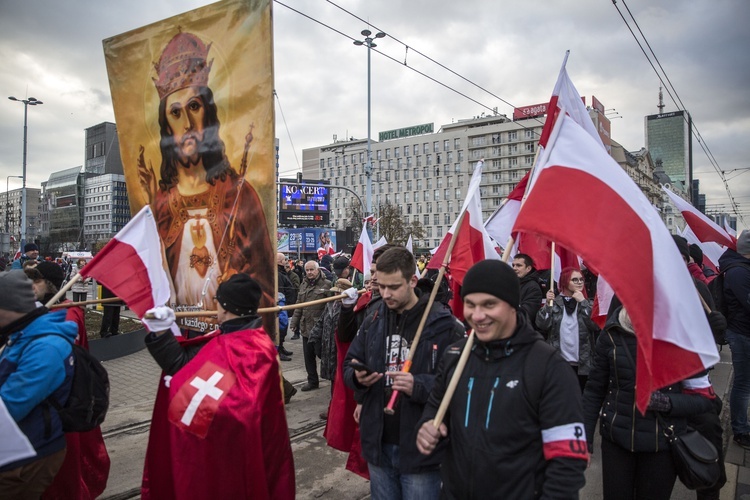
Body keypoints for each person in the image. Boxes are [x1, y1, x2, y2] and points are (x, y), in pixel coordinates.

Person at [416, 259, 587, 498]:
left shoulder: (550, 367)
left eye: (489, 304)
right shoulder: (456, 355)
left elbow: (567, 464)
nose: (477, 316)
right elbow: (435, 407)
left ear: (512, 305)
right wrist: (427, 425)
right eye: (469, 304)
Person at [137, 31, 274, 323]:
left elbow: (266, 289)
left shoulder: (239, 194)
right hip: (180, 335)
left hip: (224, 338)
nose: (186, 124)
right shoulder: (161, 203)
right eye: (175, 113)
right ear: (166, 126)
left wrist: (233, 300)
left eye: (194, 107)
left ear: (207, 115)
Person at [140, 273, 294, 499]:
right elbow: (182, 366)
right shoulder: (225, 338)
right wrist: (161, 333)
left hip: (233, 455)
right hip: (220, 453)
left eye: (219, 302)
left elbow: (242, 412)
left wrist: (185, 393)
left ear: (226, 307)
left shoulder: (253, 350)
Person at [344, 247, 463, 500]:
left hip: (420, 451)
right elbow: (349, 363)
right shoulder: (374, 317)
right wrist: (357, 380)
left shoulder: (443, 324)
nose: (386, 294)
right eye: (382, 286)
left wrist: (417, 385)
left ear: (412, 281)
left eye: (394, 287)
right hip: (378, 442)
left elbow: (459, 385)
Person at [582, 306, 718, 500]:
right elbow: (594, 391)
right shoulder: (612, 332)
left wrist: (667, 402)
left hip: (661, 447)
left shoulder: (682, 337)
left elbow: (704, 399)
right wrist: (583, 440)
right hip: (616, 442)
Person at [30, 263, 111, 500]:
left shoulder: (67, 315)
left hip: (64, 400)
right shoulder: (51, 311)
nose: (31, 287)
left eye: (37, 281)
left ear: (51, 285)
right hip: (56, 402)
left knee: (65, 471)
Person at [0, 271, 77, 497]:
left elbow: (11, 404)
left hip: (30, 456)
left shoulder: (46, 347)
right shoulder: (19, 335)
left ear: (9, 308)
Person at [536, 267, 599, 391]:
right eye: (574, 280)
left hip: (583, 365)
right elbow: (542, 324)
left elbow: (595, 326)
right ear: (565, 282)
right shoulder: (555, 303)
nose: (579, 282)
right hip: (559, 363)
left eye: (581, 279)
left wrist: (583, 302)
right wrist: (548, 305)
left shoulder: (587, 304)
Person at [719, 230, 750, 448]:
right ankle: (740, 430)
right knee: (743, 384)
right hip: (742, 334)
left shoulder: (741, 268)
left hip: (743, 332)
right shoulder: (739, 271)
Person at [310, 278, 352, 420]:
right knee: (333, 380)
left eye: (339, 294)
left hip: (340, 350)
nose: (336, 296)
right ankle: (334, 406)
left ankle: (336, 409)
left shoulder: (349, 308)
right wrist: (314, 337)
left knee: (339, 380)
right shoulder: (330, 305)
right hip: (327, 348)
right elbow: (321, 322)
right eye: (335, 293)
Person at [289, 260, 332, 391]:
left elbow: (331, 307)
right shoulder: (303, 285)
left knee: (321, 354)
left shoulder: (327, 284)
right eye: (307, 270)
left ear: (318, 270)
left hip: (319, 329)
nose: (309, 272)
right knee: (308, 358)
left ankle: (332, 377)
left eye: (312, 269)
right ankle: (312, 381)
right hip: (305, 328)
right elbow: (298, 305)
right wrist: (294, 322)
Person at [512, 253, 543, 323]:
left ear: (528, 268)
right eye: (513, 265)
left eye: (518, 265)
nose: (514, 268)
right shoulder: (510, 284)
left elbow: (527, 314)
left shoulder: (533, 288)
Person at [276, 252, 297, 358]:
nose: (286, 262)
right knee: (281, 327)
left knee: (283, 328)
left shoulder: (281, 273)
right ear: (280, 261)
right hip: (281, 306)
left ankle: (281, 347)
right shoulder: (277, 274)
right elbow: (280, 291)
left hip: (286, 305)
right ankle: (278, 349)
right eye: (285, 260)